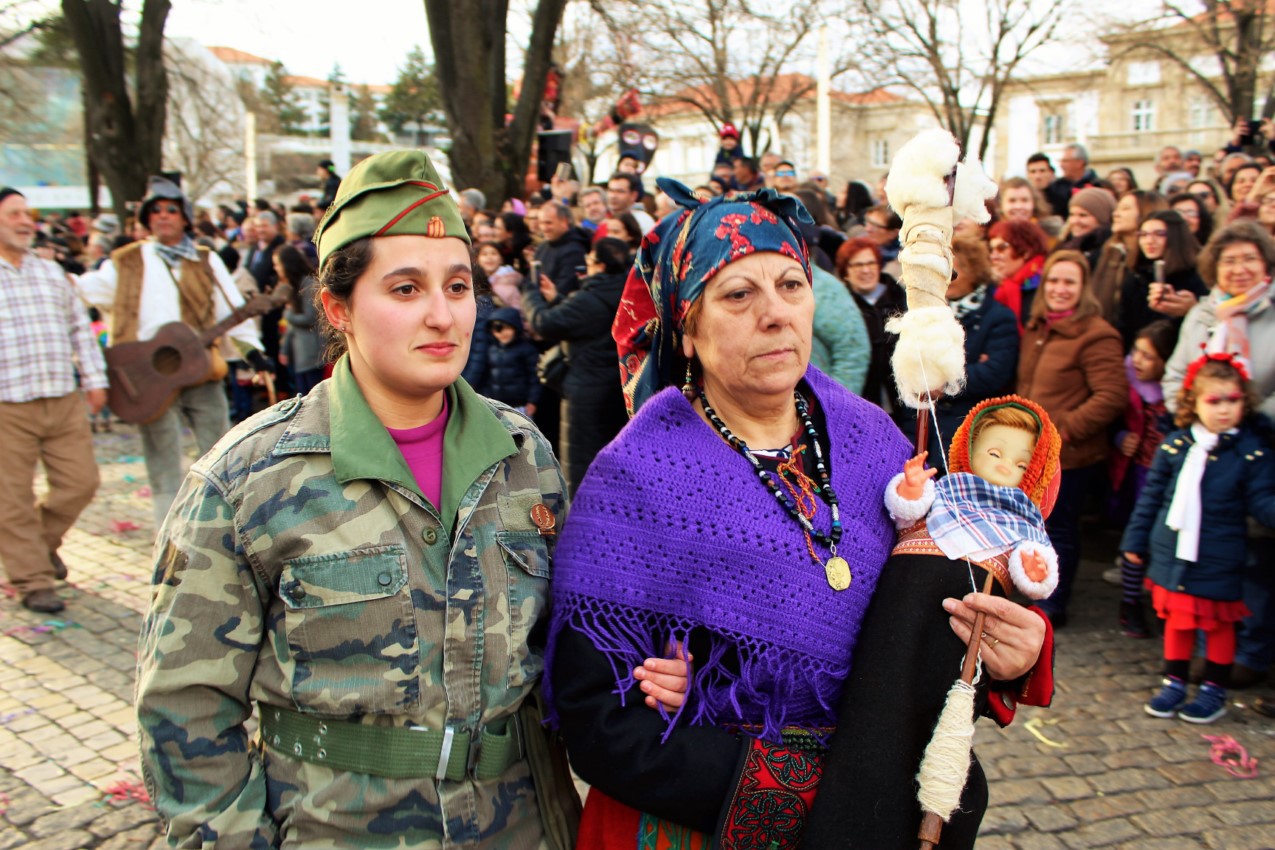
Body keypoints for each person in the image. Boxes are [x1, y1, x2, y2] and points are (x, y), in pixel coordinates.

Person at [136, 150, 655, 849]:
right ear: (337, 307)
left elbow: (564, 653)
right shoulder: (248, 480)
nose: (443, 316)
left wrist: (649, 668)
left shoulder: (522, 456)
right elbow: (185, 711)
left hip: (520, 827)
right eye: (405, 289)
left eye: (459, 286)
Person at [545, 177, 1051, 848]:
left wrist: (1009, 657)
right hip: (700, 823)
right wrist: (799, 794)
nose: (776, 314)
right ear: (687, 330)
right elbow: (598, 721)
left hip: (872, 807)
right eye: (737, 295)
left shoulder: (877, 446)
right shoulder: (636, 476)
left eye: (791, 284)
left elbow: (930, 636)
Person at [76, 176, 267, 526]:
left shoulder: (206, 260)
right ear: (148, 218)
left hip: (201, 368)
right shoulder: (126, 261)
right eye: (157, 211)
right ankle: (169, 536)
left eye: (171, 210)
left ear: (184, 218)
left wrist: (251, 352)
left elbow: (232, 309)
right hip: (147, 378)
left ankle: (223, 526)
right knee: (162, 458)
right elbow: (90, 291)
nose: (163, 216)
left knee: (221, 449)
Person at [1123, 353, 1275, 723]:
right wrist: (1134, 542)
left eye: (1232, 400)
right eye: (1214, 400)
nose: (1224, 409)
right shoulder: (1175, 446)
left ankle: (1213, 689)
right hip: (1172, 551)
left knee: (1218, 624)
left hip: (1220, 554)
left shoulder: (1250, 454)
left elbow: (1263, 501)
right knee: (1177, 621)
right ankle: (1174, 681)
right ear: (1194, 403)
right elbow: (1151, 499)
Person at [1162, 221, 1275, 687]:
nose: (1239, 268)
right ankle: (1206, 652)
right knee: (1214, 549)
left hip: (1261, 448)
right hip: (1202, 451)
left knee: (1258, 553)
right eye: (1229, 260)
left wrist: (1242, 417)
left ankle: (1252, 649)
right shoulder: (1204, 315)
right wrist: (1194, 416)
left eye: (1249, 259)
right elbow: (1175, 377)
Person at [0, 188, 108, 614]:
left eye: (29, 214)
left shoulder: (51, 273)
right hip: (8, 404)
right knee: (12, 499)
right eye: (15, 214)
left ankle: (36, 546)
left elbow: (80, 330)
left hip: (62, 397)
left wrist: (95, 380)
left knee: (80, 483)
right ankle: (32, 579)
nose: (27, 221)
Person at [1017, 250, 1128, 626]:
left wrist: (1061, 430)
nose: (1060, 290)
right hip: (1030, 451)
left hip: (1070, 456)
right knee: (1034, 526)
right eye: (1054, 281)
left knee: (1059, 529)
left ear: (1084, 289)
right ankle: (1031, 589)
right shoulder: (1037, 326)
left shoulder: (1097, 334)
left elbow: (1111, 396)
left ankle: (1053, 602)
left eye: (1069, 282)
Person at [901, 234, 1019, 474]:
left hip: (964, 428)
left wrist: (942, 384)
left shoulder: (997, 317)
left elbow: (994, 372)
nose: (946, 279)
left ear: (975, 272)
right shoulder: (924, 312)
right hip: (918, 426)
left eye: (954, 272)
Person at [522, 237, 630, 492]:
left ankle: (581, 526)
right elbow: (588, 320)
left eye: (590, 262)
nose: (586, 268)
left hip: (585, 394)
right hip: (616, 389)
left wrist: (530, 294)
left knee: (581, 466)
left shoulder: (588, 299)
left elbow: (543, 322)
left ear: (601, 265)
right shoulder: (626, 293)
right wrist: (557, 297)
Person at [1110, 320, 1177, 638]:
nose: (1138, 360)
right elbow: (1113, 424)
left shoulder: (1175, 398)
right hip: (1135, 473)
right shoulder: (1127, 384)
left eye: (1148, 356)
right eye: (1136, 351)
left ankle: (1165, 607)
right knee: (1134, 538)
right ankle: (1130, 602)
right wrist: (1121, 436)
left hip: (1164, 476)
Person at [835, 236, 905, 410]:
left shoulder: (899, 297)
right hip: (860, 399)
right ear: (845, 272)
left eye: (870, 263)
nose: (866, 270)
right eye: (857, 265)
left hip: (903, 400)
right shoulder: (840, 305)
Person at [1118, 210, 1205, 349]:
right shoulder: (1135, 276)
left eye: (1159, 234)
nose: (1149, 241)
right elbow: (1125, 324)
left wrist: (1191, 309)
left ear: (1176, 237)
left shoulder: (1197, 275)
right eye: (1143, 235)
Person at [1091, 189, 1168, 323]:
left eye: (1125, 209)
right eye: (1116, 209)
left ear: (1145, 212)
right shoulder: (1104, 255)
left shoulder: (1156, 264)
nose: (1116, 214)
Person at [274, 244, 324, 396]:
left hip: (311, 353)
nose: (276, 268)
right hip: (300, 353)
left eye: (277, 264)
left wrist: (288, 313)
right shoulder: (293, 286)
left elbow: (310, 318)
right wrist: (285, 349)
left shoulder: (308, 284)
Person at [476, 306, 542, 415]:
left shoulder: (527, 350)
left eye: (507, 327)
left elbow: (535, 378)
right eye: (497, 328)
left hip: (520, 405)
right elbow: (486, 377)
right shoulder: (491, 350)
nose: (503, 333)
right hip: (496, 405)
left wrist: (533, 401)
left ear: (516, 327)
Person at [988, 218, 1049, 331]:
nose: (993, 257)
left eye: (1002, 248)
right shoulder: (994, 286)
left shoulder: (1046, 285)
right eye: (992, 250)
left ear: (1026, 251)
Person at [1057, 186, 1115, 274]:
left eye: (1083, 215)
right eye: (1072, 215)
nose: (1075, 221)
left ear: (1102, 218)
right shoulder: (1065, 245)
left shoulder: (1107, 254)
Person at [1044, 143, 1101, 217]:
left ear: (1079, 163)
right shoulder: (1054, 188)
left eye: (1065, 161)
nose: (1061, 165)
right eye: (1061, 161)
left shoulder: (1097, 186)